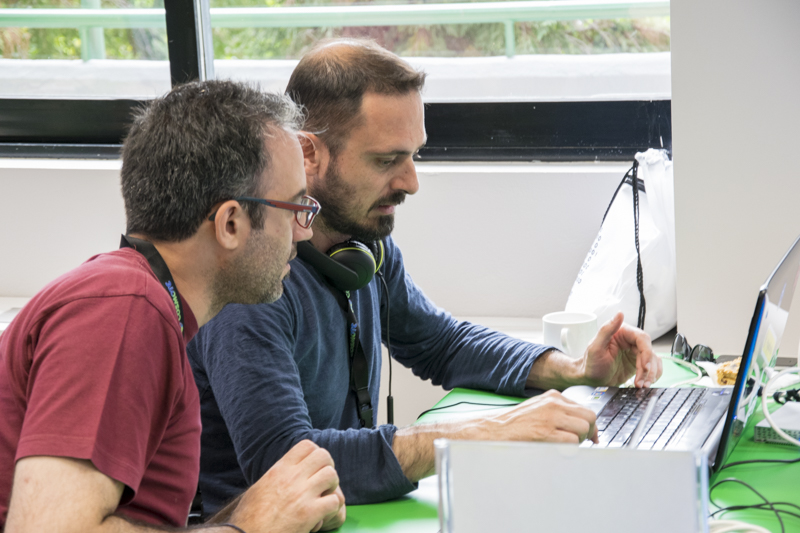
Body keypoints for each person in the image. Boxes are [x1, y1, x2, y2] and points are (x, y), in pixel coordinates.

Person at [187, 40, 663, 512]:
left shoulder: (363, 246)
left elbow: (440, 343)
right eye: (386, 160)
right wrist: (480, 434)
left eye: (414, 154)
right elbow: (284, 463)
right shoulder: (252, 278)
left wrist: (574, 368)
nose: (410, 182)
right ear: (308, 153)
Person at [0, 80, 346, 532]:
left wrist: (257, 512)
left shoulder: (147, 308)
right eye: (295, 206)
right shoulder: (124, 310)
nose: (304, 230)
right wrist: (248, 528)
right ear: (230, 223)